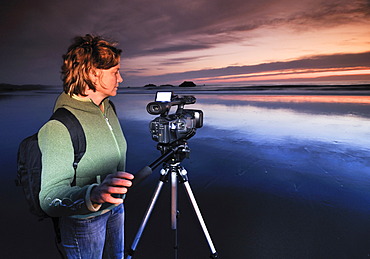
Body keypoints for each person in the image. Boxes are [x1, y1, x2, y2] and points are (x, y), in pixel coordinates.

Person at [38, 34, 134, 258]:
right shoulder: (59, 126)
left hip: (116, 210)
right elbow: (50, 198)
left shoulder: (107, 108)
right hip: (85, 223)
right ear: (93, 73)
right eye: (115, 72)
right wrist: (95, 194)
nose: (120, 79)